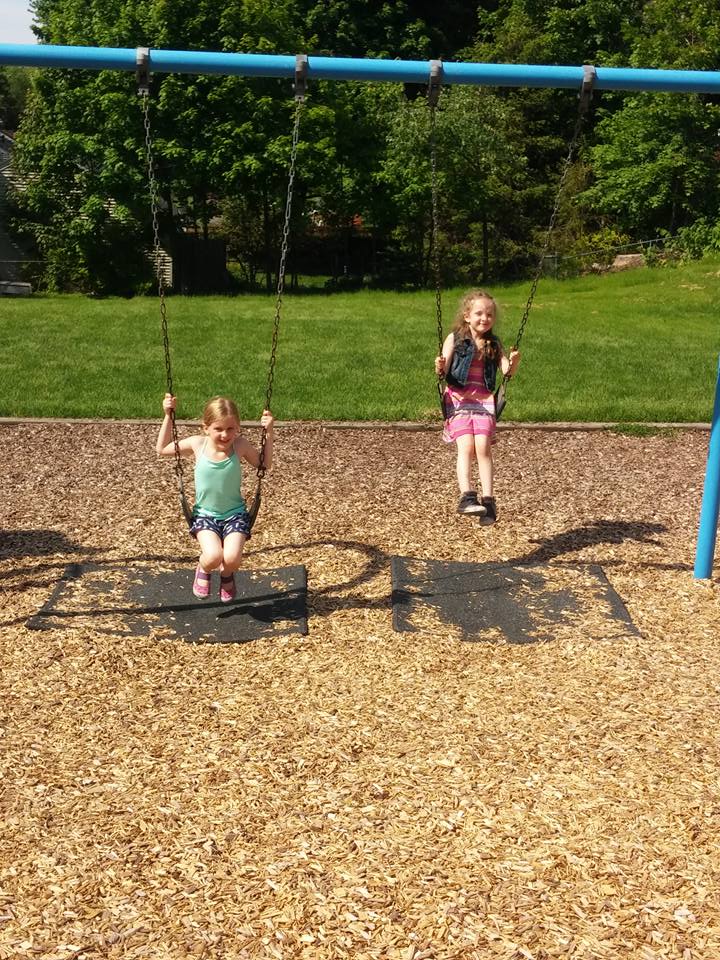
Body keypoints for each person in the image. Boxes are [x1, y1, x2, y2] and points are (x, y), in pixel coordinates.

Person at [156, 394, 274, 601]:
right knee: (213, 556)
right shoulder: (197, 444)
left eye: (230, 429)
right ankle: (203, 568)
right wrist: (168, 415)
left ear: (238, 428)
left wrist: (269, 431)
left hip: (235, 515)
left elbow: (264, 464)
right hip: (205, 516)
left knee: (232, 559)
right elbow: (162, 449)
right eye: (218, 429)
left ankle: (226, 574)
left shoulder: (240, 446)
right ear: (206, 428)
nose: (225, 435)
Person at [434, 290, 520, 524]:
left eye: (489, 314)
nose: (485, 318)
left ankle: (488, 502)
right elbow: (443, 369)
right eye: (479, 313)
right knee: (466, 446)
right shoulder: (455, 338)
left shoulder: (494, 343)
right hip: (458, 401)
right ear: (467, 316)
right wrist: (439, 365)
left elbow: (506, 371)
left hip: (483, 402)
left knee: (483, 447)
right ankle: (467, 497)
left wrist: (514, 362)